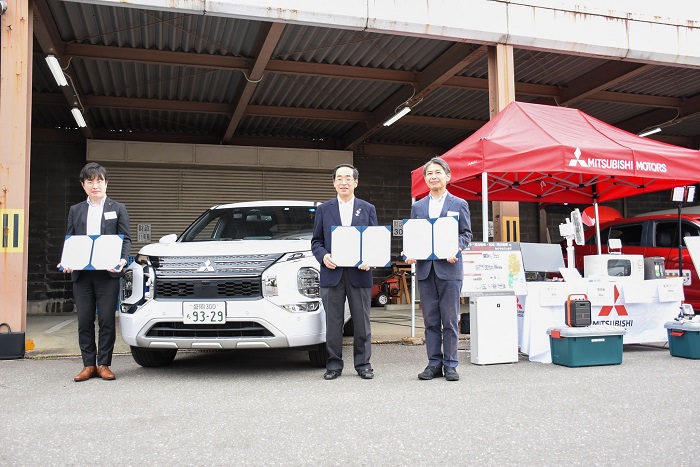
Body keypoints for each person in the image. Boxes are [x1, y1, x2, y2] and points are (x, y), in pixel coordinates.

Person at [59, 162, 131, 382]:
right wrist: (67, 261)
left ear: (106, 183)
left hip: (107, 274)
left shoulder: (118, 208)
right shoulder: (76, 210)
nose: (95, 185)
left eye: (99, 180)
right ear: (83, 185)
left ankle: (104, 364)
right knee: (84, 320)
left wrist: (121, 261)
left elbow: (125, 239)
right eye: (90, 181)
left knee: (107, 320)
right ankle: (88, 364)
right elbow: (70, 239)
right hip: (82, 274)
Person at [405, 157, 472, 381]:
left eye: (437, 172)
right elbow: (413, 235)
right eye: (429, 174)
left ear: (448, 176)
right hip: (425, 270)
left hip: (450, 269)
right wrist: (409, 252)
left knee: (450, 320)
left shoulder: (459, 203)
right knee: (431, 320)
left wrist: (457, 249)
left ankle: (451, 364)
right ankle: (434, 363)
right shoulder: (418, 206)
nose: (433, 177)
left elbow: (466, 234)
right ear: (425, 179)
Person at [311, 164, 378, 380]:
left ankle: (363, 364)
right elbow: (316, 242)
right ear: (333, 183)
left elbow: (373, 242)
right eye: (339, 178)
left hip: (360, 273)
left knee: (361, 322)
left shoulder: (368, 208)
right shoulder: (324, 209)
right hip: (333, 273)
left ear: (356, 182)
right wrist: (323, 256)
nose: (344, 182)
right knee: (333, 322)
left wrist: (370, 259)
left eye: (348, 178)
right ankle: (333, 365)